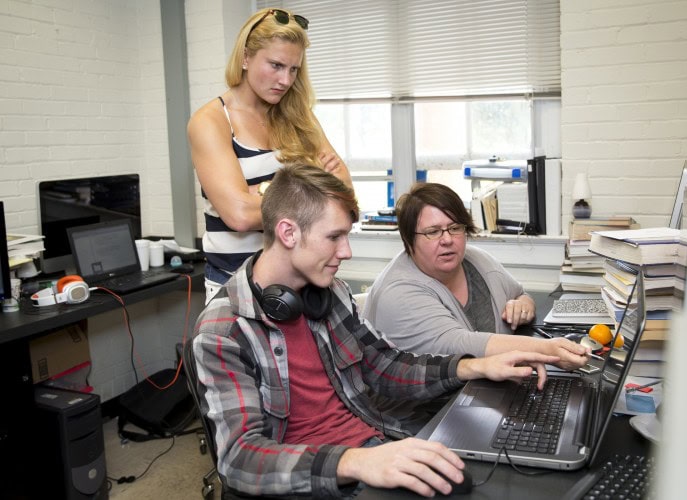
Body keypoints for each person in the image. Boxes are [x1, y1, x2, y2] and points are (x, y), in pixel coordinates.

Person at [191, 165, 559, 498]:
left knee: (502, 480)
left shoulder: (328, 294)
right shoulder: (223, 330)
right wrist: (356, 463)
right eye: (334, 237)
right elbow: (240, 459)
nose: (346, 251)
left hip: (376, 442)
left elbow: (384, 365)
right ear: (288, 232)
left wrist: (473, 367)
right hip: (319, 480)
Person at [187, 8, 352, 303]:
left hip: (300, 285)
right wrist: (312, 187)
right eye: (276, 65)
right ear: (246, 58)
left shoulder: (301, 118)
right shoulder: (211, 121)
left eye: (293, 69)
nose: (285, 80)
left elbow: (345, 197)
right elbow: (239, 216)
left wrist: (258, 191)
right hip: (235, 286)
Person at [363, 182, 589, 371]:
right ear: (409, 241)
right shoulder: (398, 292)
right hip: (420, 415)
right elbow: (459, 345)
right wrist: (547, 350)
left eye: (454, 228)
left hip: (481, 392)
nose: (447, 239)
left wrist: (523, 305)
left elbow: (520, 294)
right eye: (432, 232)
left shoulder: (476, 260)